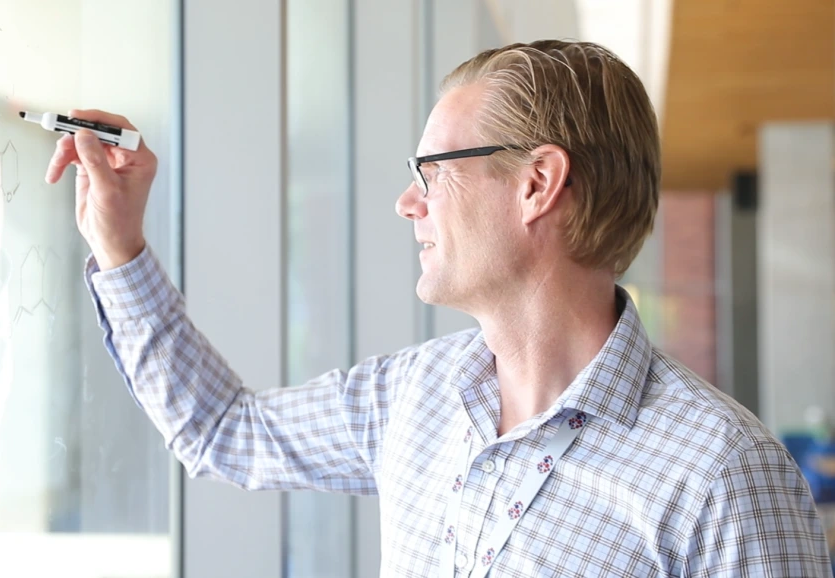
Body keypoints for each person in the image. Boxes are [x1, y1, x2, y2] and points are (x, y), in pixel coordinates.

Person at [45, 40, 833, 577]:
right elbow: (224, 432)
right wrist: (120, 245)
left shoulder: (725, 473)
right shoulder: (411, 397)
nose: (406, 203)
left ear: (537, 183)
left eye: (432, 172)